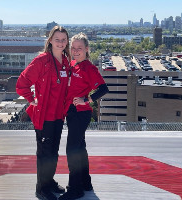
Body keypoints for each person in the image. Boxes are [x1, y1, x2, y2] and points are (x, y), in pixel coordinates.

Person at [16, 26, 70, 200]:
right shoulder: (42, 61)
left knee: (53, 152)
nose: (60, 43)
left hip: (58, 116)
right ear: (50, 41)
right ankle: (41, 188)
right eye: (57, 39)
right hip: (44, 116)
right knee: (44, 153)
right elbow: (22, 82)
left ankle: (49, 181)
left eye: (63, 39)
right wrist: (31, 99)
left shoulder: (66, 61)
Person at [59, 33, 109, 200]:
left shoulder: (89, 68)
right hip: (71, 112)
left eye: (79, 48)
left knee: (72, 149)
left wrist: (86, 99)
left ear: (87, 49)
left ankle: (75, 189)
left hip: (81, 113)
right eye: (73, 48)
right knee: (80, 148)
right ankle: (86, 183)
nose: (75, 51)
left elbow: (103, 89)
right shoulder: (73, 64)